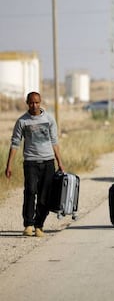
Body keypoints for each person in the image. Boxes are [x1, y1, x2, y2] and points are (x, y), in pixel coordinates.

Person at [5, 91, 64, 237]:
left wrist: (60, 162)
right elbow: (15, 143)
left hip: (48, 162)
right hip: (30, 162)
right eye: (31, 102)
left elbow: (54, 142)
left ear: (40, 102)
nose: (34, 105)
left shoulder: (49, 119)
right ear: (27, 103)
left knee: (45, 196)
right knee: (30, 192)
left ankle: (39, 225)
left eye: (37, 102)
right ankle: (28, 224)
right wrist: (9, 165)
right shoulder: (22, 121)